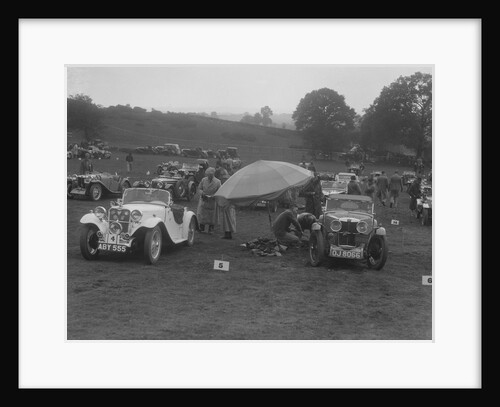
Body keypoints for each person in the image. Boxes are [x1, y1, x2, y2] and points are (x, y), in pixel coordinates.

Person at [196, 167, 221, 233]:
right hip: (204, 199)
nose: (209, 176)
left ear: (213, 175)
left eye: (210, 175)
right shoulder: (203, 180)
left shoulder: (218, 182)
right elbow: (199, 188)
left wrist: (214, 196)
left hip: (212, 200)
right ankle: (201, 227)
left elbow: (219, 191)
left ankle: (211, 229)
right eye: (208, 175)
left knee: (212, 215)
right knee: (202, 214)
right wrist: (202, 193)